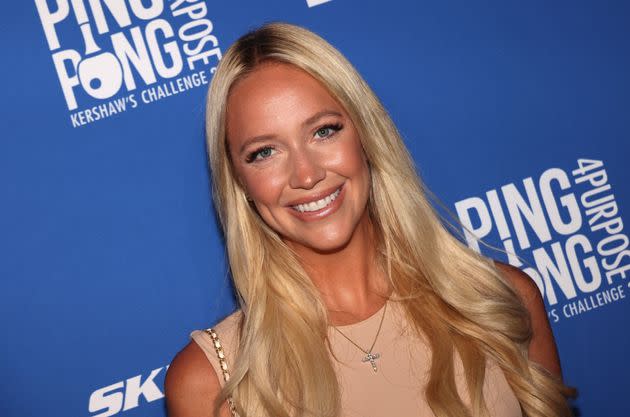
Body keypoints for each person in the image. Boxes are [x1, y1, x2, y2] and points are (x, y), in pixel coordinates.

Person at [164, 22, 573, 417]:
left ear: (365, 133)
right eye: (264, 152)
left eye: (323, 131)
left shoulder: (501, 304)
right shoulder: (212, 383)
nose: (306, 175)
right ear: (239, 179)